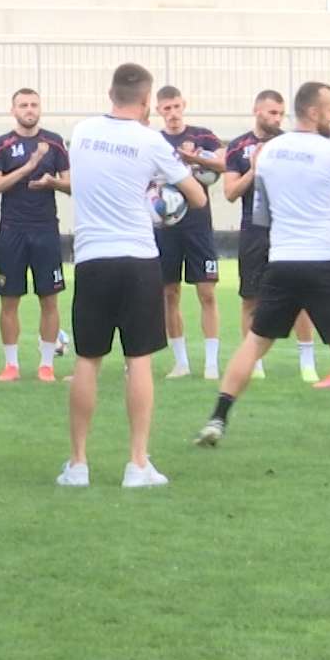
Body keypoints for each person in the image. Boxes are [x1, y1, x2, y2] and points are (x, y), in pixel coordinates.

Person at [194, 81, 330, 450]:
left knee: (255, 342)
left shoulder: (269, 152)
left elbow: (262, 214)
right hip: (324, 262)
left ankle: (217, 418)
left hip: (283, 261)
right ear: (315, 112)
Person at [57, 62, 206, 489]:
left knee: (87, 360)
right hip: (138, 259)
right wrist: (160, 190)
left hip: (93, 259)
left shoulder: (82, 132)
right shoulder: (151, 141)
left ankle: (78, 464)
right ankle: (137, 464)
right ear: (147, 102)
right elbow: (196, 197)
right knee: (138, 360)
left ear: (110, 94)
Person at [223, 89, 316, 382]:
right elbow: (230, 192)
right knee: (250, 298)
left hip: (286, 231)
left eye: (280, 113)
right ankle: (254, 363)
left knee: (300, 297)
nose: (277, 118)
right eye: (272, 112)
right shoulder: (238, 147)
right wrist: (253, 170)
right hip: (253, 231)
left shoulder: (290, 145)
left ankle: (307, 363)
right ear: (257, 110)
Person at [0, 88, 71, 382]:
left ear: (40, 108)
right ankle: (11, 365)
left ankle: (46, 365)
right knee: (9, 300)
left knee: (50, 299)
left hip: (46, 229)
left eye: (34, 104)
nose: (29, 109)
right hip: (12, 230)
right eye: (23, 105)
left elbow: (72, 185)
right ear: (13, 110)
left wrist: (52, 182)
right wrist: (28, 168)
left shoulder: (54, 142)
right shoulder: (1, 145)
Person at [150, 86, 225, 380]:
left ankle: (211, 363)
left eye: (176, 107)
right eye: (166, 108)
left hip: (198, 225)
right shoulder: (153, 141)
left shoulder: (203, 137)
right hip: (166, 226)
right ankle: (181, 362)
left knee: (207, 292)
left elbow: (223, 163)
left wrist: (194, 159)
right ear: (158, 110)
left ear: (184, 105)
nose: (172, 113)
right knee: (169, 293)